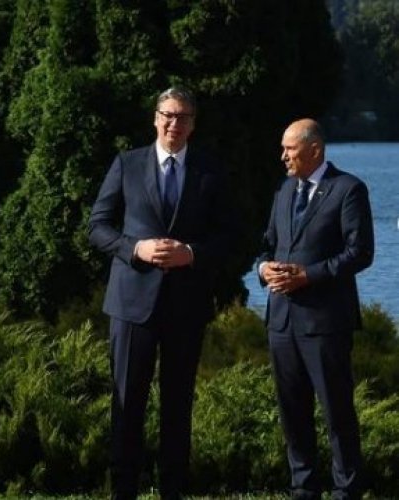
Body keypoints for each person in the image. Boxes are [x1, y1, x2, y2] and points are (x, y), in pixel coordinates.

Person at [88, 87, 235, 499]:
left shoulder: (210, 170)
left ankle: (173, 491)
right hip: (131, 304)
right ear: (155, 118)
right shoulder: (127, 164)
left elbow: (229, 235)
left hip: (186, 306)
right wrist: (135, 248)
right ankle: (123, 492)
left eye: (183, 117)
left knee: (177, 407)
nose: (174, 124)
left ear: (193, 124)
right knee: (126, 405)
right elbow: (97, 226)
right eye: (168, 115)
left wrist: (192, 253)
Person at [258, 118, 374, 500]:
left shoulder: (348, 189)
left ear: (315, 150)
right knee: (292, 414)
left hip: (325, 323)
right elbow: (268, 245)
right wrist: (263, 269)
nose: (283, 156)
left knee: (337, 414)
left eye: (289, 149)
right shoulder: (283, 191)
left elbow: (360, 253)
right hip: (281, 322)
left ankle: (346, 491)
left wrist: (308, 276)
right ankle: (303, 489)